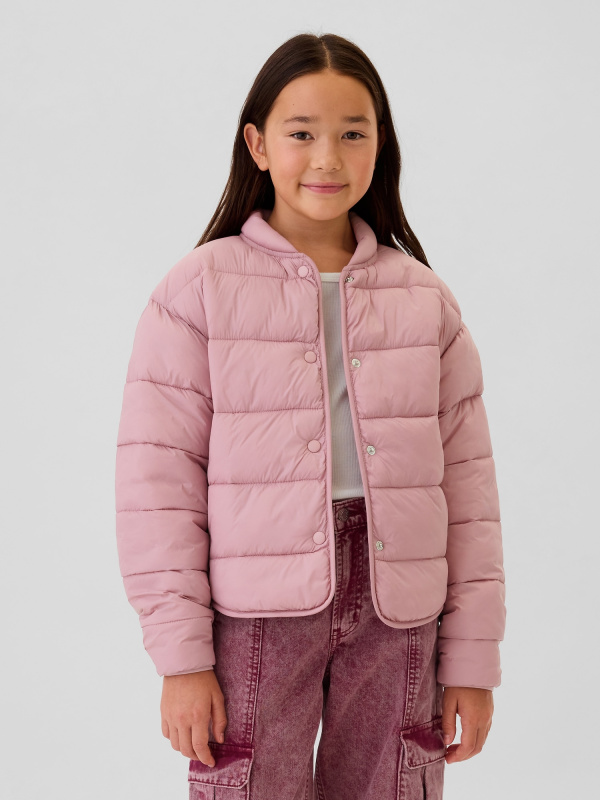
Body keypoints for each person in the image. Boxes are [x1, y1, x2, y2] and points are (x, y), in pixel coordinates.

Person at [115, 31, 506, 800]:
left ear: (380, 145)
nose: (327, 158)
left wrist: (471, 661)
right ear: (257, 145)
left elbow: (471, 492)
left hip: (401, 612)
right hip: (253, 612)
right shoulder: (198, 291)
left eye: (353, 133)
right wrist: (182, 659)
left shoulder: (423, 298)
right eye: (301, 134)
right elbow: (156, 487)